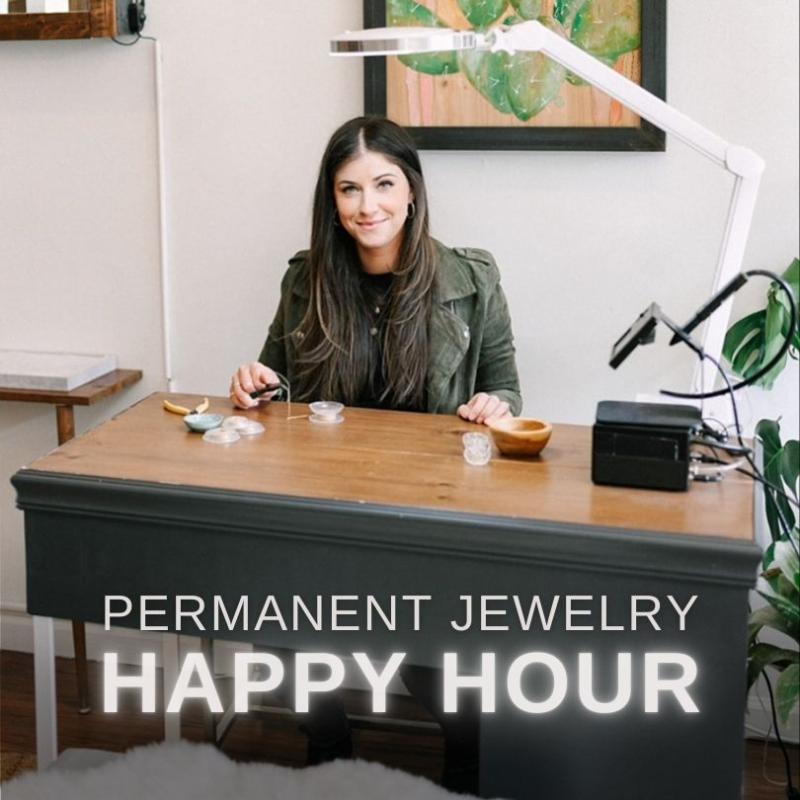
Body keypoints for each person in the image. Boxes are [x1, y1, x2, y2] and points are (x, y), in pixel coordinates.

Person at [228, 116, 522, 792]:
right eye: (349, 189)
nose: (369, 207)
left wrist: (495, 406)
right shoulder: (307, 280)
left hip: (433, 511)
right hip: (327, 503)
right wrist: (252, 383)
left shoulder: (471, 279)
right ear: (331, 201)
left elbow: (504, 385)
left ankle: (467, 758)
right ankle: (328, 742)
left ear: (412, 190)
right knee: (272, 618)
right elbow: (273, 379)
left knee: (436, 649)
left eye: (384, 184)